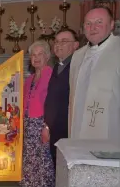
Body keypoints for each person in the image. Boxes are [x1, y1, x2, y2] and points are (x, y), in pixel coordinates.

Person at [69, 6, 120, 146]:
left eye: (99, 22)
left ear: (111, 25)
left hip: (111, 131)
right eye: (88, 23)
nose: (93, 27)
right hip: (78, 129)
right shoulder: (77, 55)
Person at [44, 28, 79, 167]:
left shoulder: (77, 66)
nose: (58, 45)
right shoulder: (56, 67)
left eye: (64, 41)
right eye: (56, 41)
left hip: (67, 128)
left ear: (76, 45)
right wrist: (47, 125)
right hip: (54, 127)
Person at [21, 40, 54, 187]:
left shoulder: (52, 76)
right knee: (29, 159)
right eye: (33, 55)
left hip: (42, 124)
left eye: (40, 54)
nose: (36, 57)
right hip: (28, 124)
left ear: (47, 56)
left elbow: (54, 104)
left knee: (42, 161)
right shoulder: (29, 79)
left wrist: (47, 127)